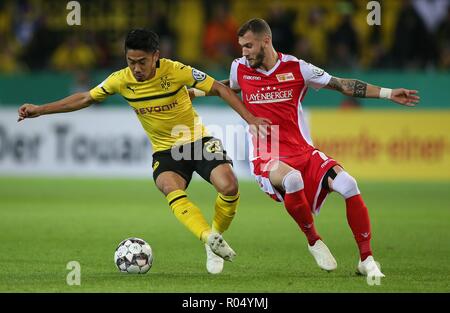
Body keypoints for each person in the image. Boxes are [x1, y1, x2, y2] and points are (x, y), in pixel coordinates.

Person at [17, 29, 269, 275]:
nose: (136, 68)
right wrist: (40, 109)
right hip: (165, 152)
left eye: (142, 62)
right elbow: (85, 98)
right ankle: (208, 239)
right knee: (169, 186)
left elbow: (220, 88)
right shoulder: (121, 79)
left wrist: (251, 119)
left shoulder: (177, 70)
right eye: (131, 61)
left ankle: (215, 239)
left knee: (229, 187)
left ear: (156, 56)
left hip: (198, 141)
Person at [191, 18, 419, 278]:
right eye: (241, 47)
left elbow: (341, 84)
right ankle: (314, 240)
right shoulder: (239, 68)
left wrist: (389, 94)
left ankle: (366, 259)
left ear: (266, 41)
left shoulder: (297, 68)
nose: (243, 52)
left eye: (248, 46)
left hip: (303, 150)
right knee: (292, 179)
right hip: (267, 155)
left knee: (348, 184)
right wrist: (194, 93)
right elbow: (224, 87)